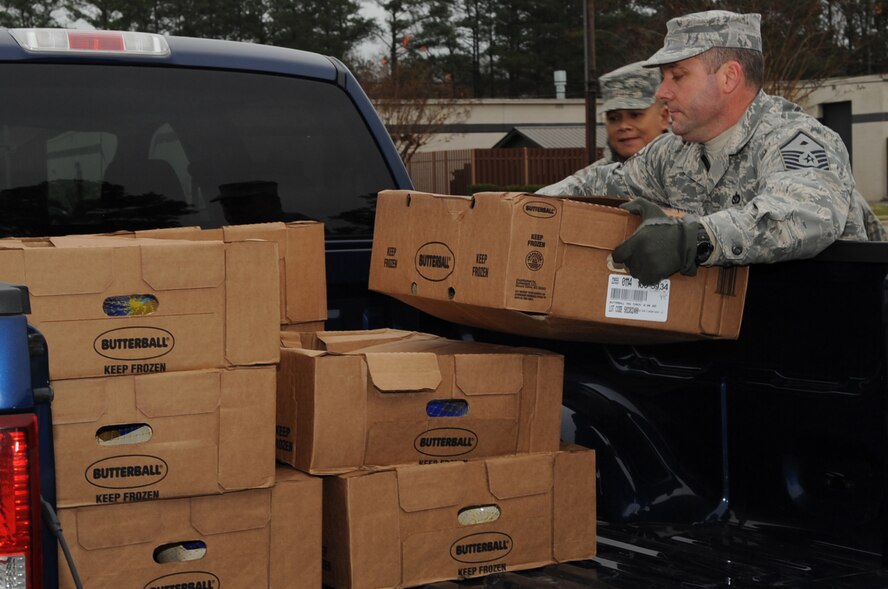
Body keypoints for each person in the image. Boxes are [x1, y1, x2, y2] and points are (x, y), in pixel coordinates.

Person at [538, 10, 886, 286]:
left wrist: (693, 239)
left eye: (677, 75)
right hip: (733, 348)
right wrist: (519, 207)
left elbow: (807, 215)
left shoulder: (792, 138)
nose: (661, 92)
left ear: (729, 78)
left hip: (832, 344)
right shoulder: (672, 153)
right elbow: (598, 185)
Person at [593, 61, 670, 165]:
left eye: (635, 115)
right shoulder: (591, 179)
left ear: (663, 117)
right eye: (613, 118)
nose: (623, 126)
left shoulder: (692, 171)